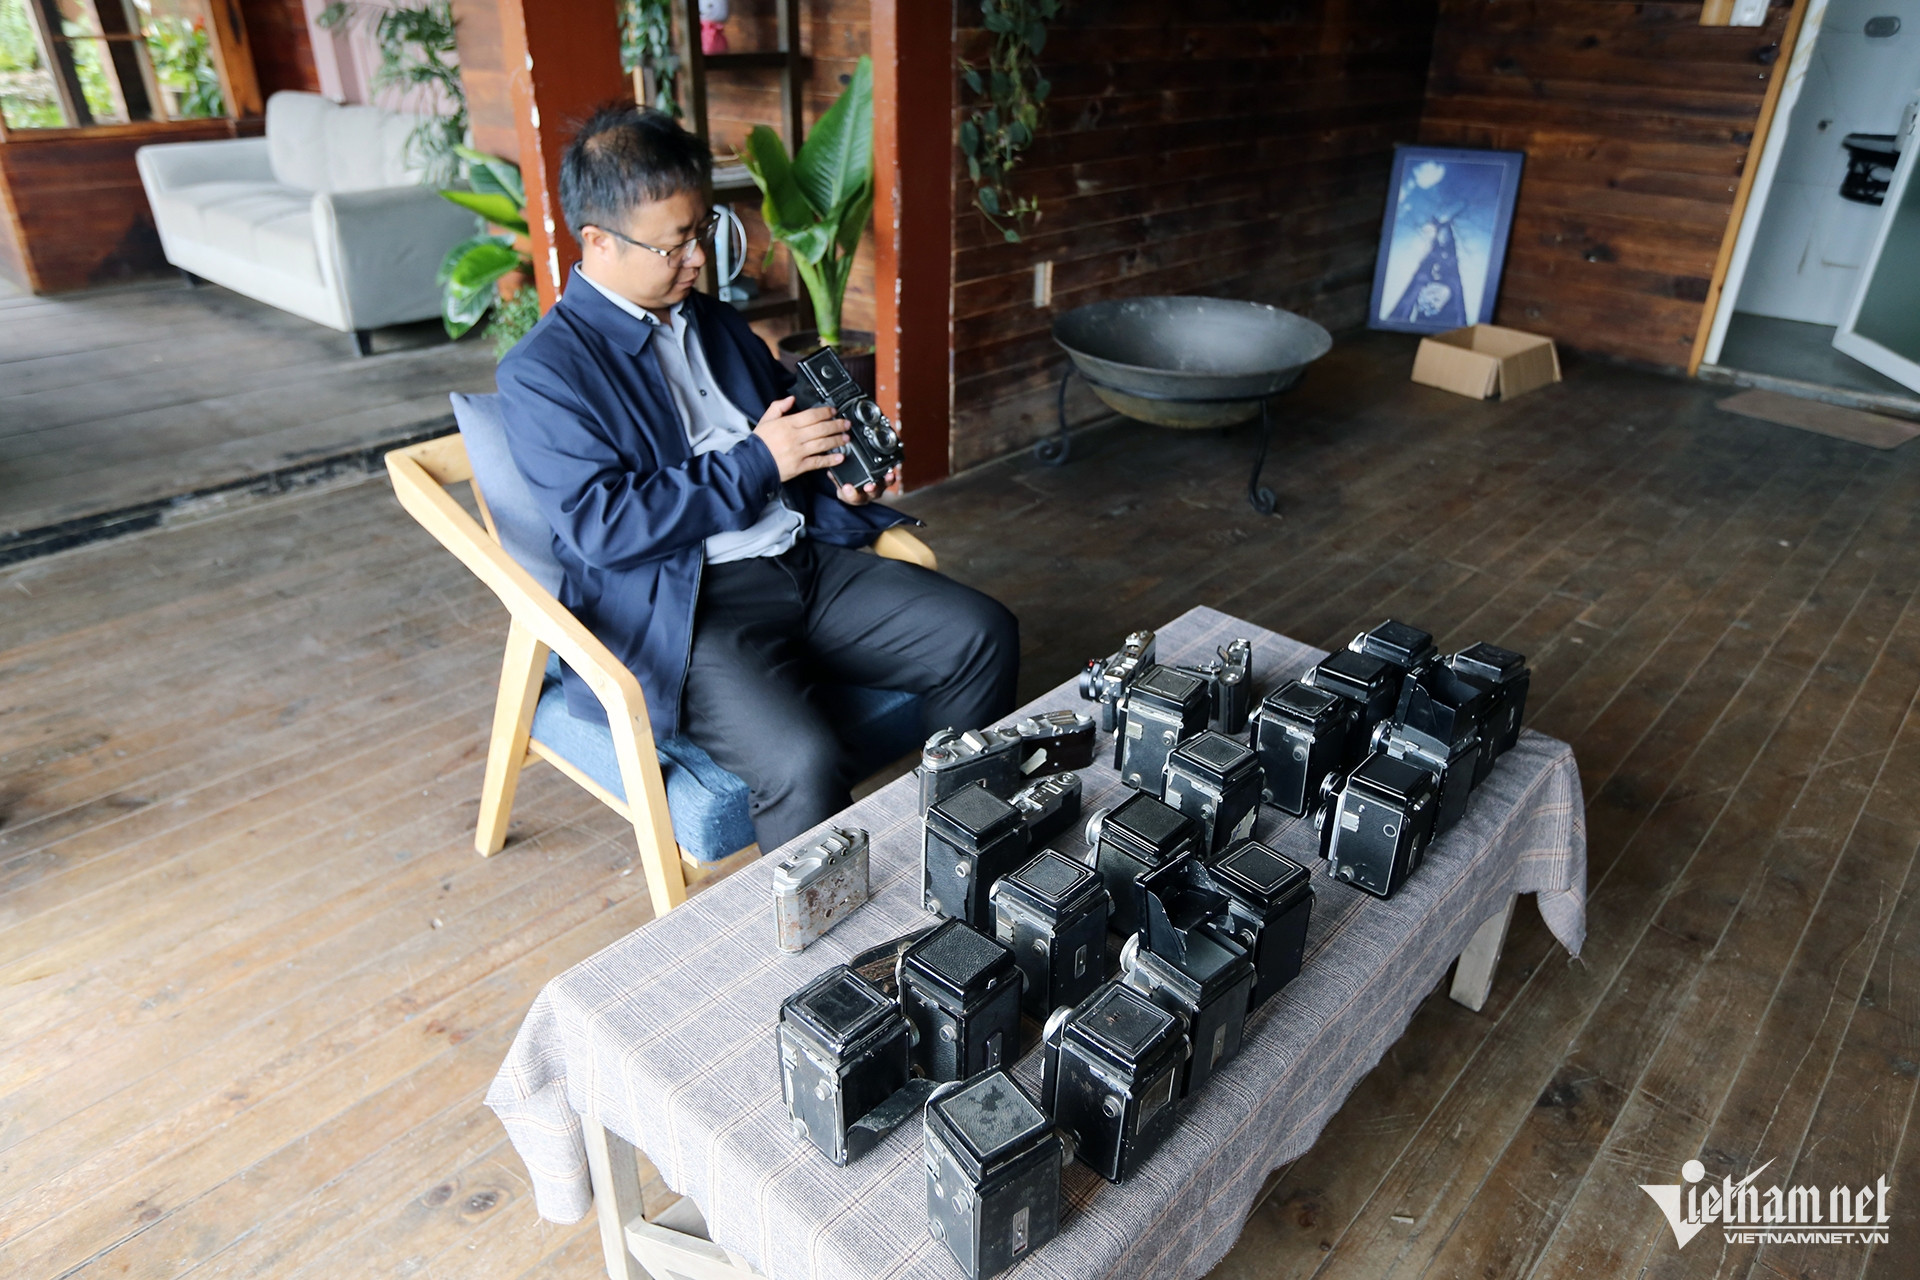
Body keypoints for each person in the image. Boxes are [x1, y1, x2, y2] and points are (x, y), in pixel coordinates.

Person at [496, 104, 1019, 853]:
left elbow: (784, 428)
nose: (697, 260)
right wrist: (761, 461)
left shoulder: (708, 319)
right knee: (801, 762)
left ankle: (954, 848)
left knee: (983, 634)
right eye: (675, 245)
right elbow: (602, 527)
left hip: (803, 563)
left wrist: (837, 476)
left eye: (700, 233)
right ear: (599, 242)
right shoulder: (545, 372)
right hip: (693, 610)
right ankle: (831, 958)